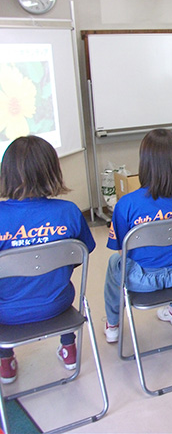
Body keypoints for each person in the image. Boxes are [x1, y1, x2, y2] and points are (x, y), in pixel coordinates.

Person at [0, 136, 96, 382]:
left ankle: (5, 360)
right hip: (58, 303)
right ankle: (69, 348)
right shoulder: (69, 212)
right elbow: (80, 256)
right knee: (58, 280)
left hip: (5, 312)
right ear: (52, 171)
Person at [103, 129, 172, 343]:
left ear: (145, 163)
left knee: (115, 263)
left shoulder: (127, 205)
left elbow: (122, 250)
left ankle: (112, 324)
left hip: (142, 281)